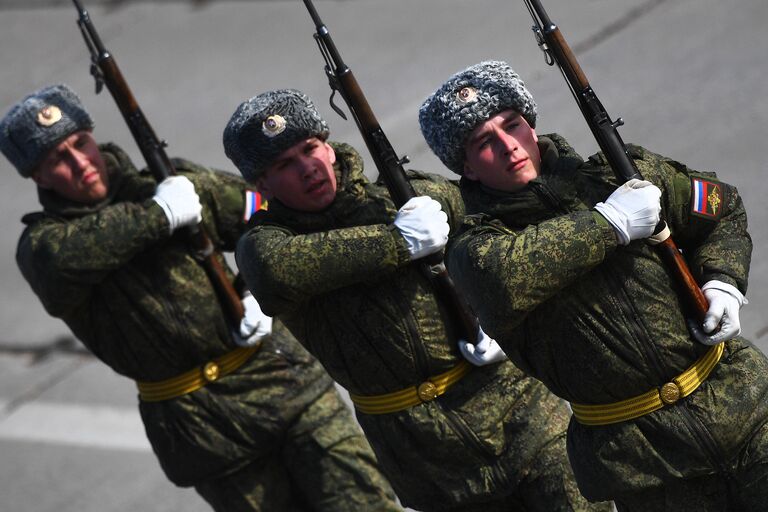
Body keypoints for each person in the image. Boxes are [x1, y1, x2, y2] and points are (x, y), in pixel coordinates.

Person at [0, 83, 401, 512]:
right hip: (205, 428)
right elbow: (69, 258)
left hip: (285, 384)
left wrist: (255, 289)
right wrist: (160, 215)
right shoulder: (45, 246)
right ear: (36, 176)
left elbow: (270, 216)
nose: (81, 163)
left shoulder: (170, 181)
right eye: (58, 159)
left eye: (81, 143)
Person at [224, 88, 611, 512]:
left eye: (310, 149)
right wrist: (397, 242)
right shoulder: (266, 245)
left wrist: (493, 318)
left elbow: (477, 216)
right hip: (431, 463)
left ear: (329, 147)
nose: (307, 169)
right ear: (261, 185)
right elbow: (277, 271)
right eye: (284, 164)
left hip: (526, 417)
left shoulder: (402, 198)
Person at [419, 60, 768, 510]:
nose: (509, 146)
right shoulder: (475, 246)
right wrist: (611, 223)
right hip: (648, 467)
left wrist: (724, 280)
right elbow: (507, 279)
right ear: (464, 166)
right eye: (485, 143)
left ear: (531, 125)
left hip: (746, 409)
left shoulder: (618, 175)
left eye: (513, 125)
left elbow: (721, 207)